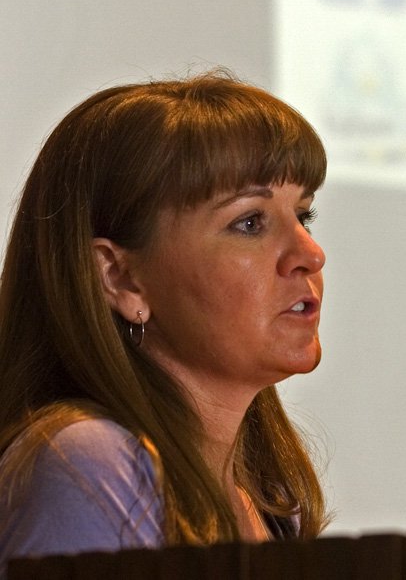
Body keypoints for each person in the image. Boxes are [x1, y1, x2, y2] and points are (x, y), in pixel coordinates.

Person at [0, 70, 329, 574]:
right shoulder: (90, 463)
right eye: (249, 222)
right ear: (120, 278)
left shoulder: (269, 501)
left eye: (302, 216)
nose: (310, 253)